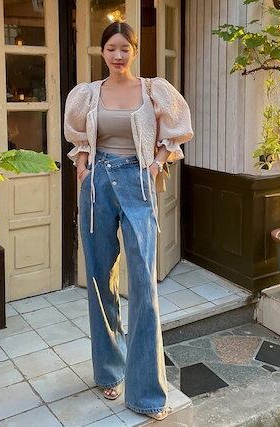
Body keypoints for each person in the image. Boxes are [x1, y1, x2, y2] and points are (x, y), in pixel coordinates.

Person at [64, 21, 193, 421]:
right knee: (99, 277)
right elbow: (80, 138)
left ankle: (147, 393)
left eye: (125, 48)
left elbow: (176, 133)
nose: (118, 55)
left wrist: (155, 165)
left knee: (143, 285)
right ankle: (109, 369)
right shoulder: (88, 93)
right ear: (102, 51)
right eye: (111, 48)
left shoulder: (154, 90)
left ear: (135, 50)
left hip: (138, 182)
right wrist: (83, 163)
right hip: (98, 185)